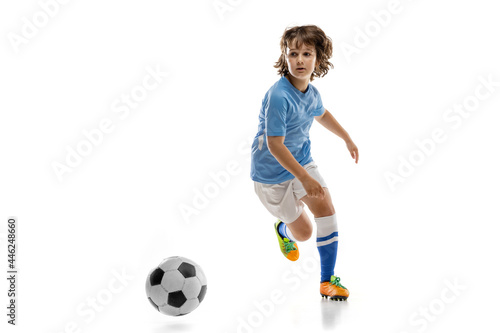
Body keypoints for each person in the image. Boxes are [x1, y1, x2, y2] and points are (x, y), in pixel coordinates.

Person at [250, 25, 359, 301]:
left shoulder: (311, 93)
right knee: (305, 233)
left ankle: (326, 282)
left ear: (318, 60)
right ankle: (282, 227)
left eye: (307, 53)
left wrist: (346, 138)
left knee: (325, 205)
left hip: (301, 161)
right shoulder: (279, 96)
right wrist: (306, 180)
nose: (299, 60)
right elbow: (275, 145)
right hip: (270, 175)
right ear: (285, 58)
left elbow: (321, 114)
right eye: (293, 53)